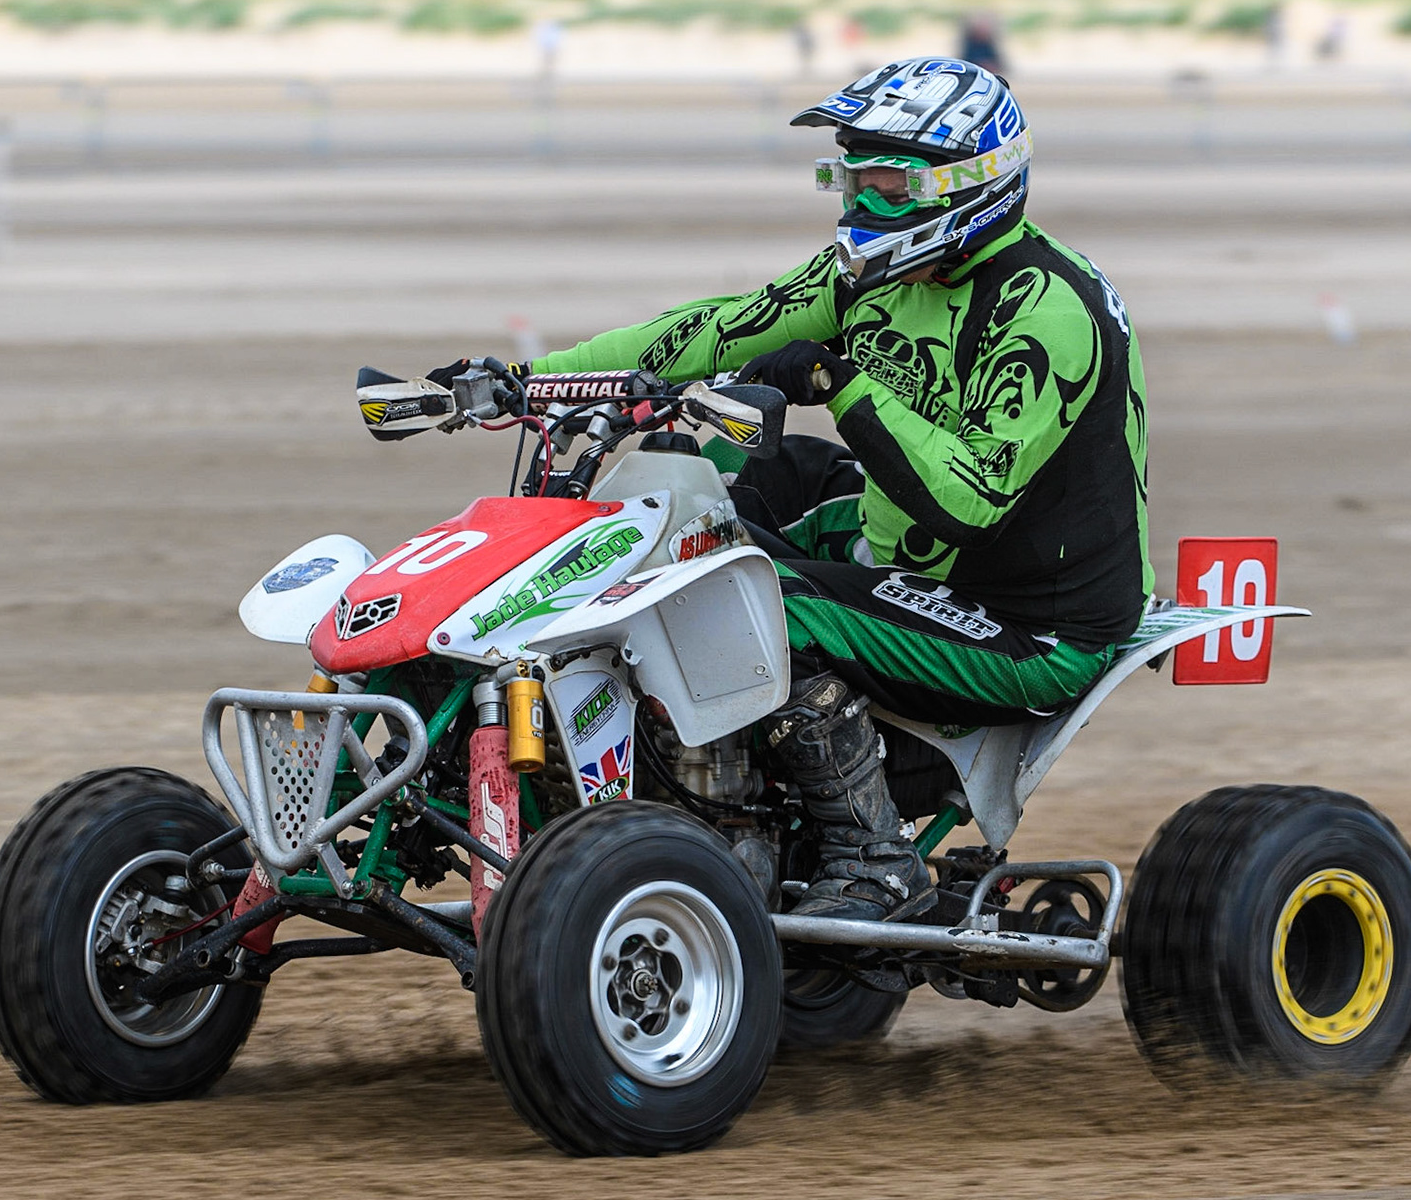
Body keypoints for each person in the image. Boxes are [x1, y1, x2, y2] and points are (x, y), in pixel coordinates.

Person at [432, 58, 1150, 923]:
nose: (860, 205)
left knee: (756, 599)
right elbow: (714, 328)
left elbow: (968, 497)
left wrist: (839, 383)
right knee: (692, 514)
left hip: (1030, 619)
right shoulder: (870, 275)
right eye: (851, 177)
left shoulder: (1045, 311)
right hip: (909, 557)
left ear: (969, 183)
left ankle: (878, 854)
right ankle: (701, 800)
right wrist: (529, 381)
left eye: (887, 183)